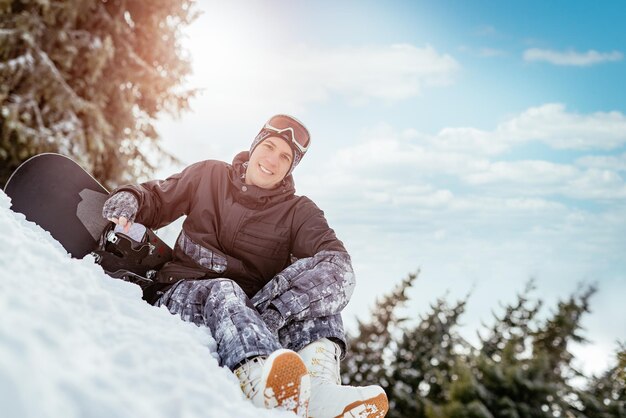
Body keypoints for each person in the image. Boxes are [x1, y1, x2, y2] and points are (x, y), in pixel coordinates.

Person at [101, 115, 389, 417]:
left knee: (320, 299)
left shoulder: (298, 212)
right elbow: (159, 198)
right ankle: (258, 377)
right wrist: (132, 197)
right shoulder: (209, 175)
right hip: (181, 291)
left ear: (290, 168)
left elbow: (339, 266)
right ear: (254, 146)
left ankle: (317, 390)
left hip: (251, 311)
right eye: (269, 147)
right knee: (226, 290)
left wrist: (279, 309)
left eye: (284, 157)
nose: (272, 160)